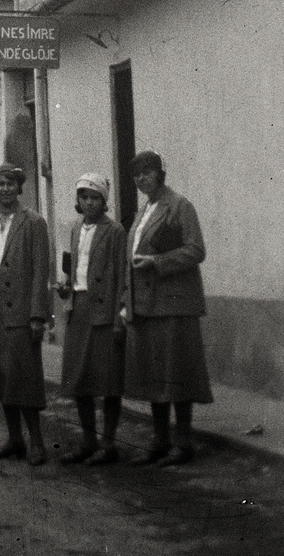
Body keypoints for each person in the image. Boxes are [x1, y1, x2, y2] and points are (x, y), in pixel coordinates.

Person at [120, 149, 213, 465]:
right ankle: (160, 440)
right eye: (136, 174)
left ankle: (182, 442)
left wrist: (157, 262)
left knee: (177, 374)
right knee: (153, 374)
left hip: (173, 305)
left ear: (160, 173)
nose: (140, 178)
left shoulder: (179, 206)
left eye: (146, 172)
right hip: (146, 305)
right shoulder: (145, 209)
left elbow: (196, 250)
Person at [0, 163, 51, 465]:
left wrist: (38, 316)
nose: (5, 189)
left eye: (11, 184)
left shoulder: (34, 223)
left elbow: (41, 271)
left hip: (20, 311)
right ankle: (14, 439)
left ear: (19, 187)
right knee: (2, 378)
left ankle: (37, 442)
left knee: (24, 378)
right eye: (0, 184)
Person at [57, 174, 126, 465]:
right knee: (79, 380)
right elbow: (72, 269)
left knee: (108, 380)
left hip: (105, 311)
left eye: (95, 197)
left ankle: (108, 443)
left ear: (104, 201)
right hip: (79, 308)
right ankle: (88, 440)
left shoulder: (115, 231)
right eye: (84, 197)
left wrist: (121, 313)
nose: (89, 202)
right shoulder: (74, 228)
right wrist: (65, 288)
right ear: (78, 200)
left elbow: (123, 275)